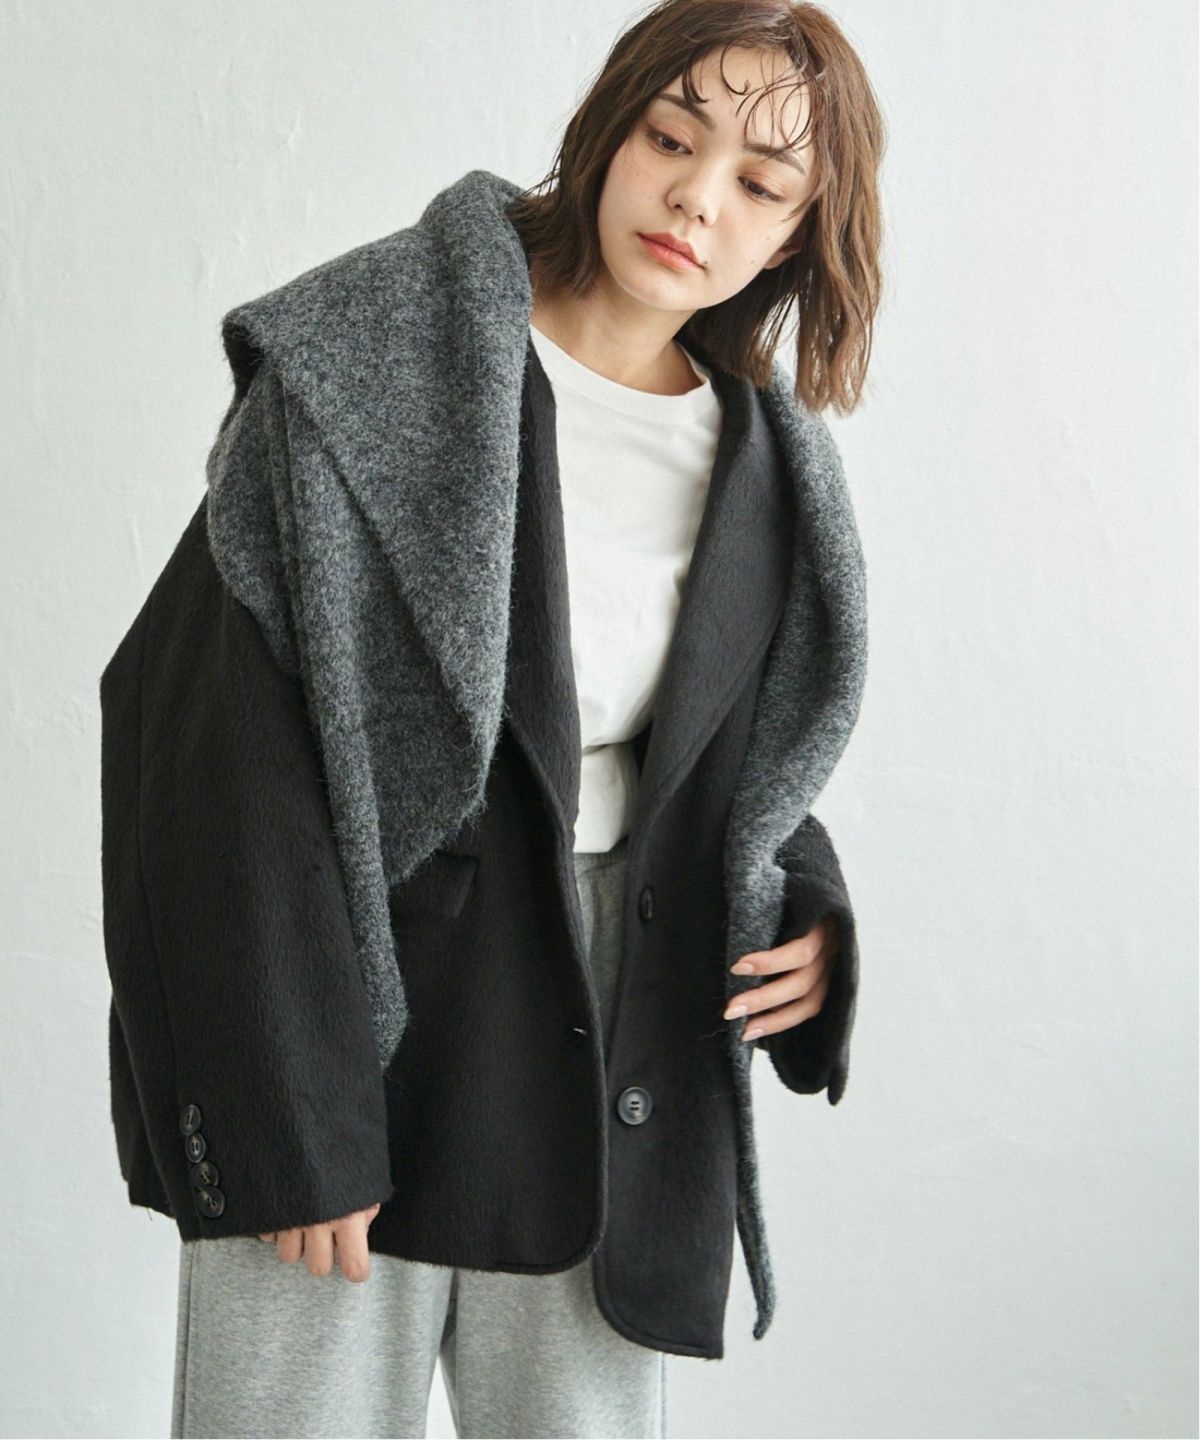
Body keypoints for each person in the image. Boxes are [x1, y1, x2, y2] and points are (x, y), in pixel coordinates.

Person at [99, 2, 884, 1435]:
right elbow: (205, 738)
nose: (698, 199)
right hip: (347, 995)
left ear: (797, 237)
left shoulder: (768, 464)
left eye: (761, 184)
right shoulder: (368, 355)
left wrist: (806, 910)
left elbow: (714, 757)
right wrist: (286, 1110)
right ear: (609, 131)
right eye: (673, 139)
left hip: (615, 1018)